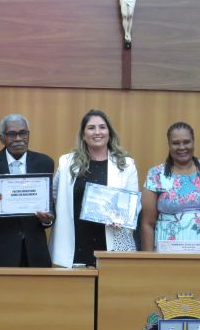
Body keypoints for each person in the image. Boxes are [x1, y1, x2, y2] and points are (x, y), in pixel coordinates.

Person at [49, 109, 138, 267]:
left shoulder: (126, 164)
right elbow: (53, 196)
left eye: (102, 127)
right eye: (91, 128)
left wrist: (123, 220)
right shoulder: (66, 162)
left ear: (109, 132)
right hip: (75, 242)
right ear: (83, 135)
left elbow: (133, 205)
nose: (97, 132)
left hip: (112, 238)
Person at [0, 114, 54, 267]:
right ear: (2, 138)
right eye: (12, 134)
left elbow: (50, 208)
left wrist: (47, 219)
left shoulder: (45, 163)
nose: (18, 138)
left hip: (35, 252)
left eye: (23, 133)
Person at [140, 122, 200, 252]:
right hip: (168, 247)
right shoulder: (155, 174)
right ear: (169, 145)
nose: (182, 147)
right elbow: (148, 223)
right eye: (176, 143)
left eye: (186, 142)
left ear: (193, 142)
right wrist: (148, 261)